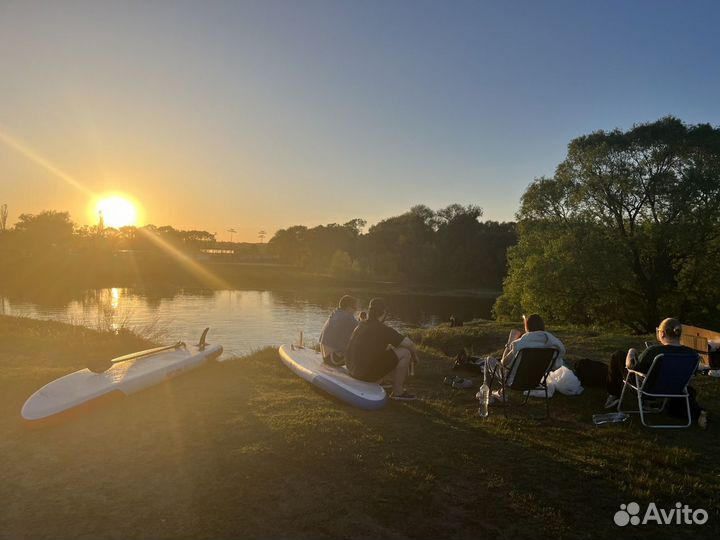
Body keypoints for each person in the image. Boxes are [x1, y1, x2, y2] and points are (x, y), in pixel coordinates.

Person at [605, 317, 707, 428]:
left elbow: (632, 367)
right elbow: (694, 371)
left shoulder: (654, 351)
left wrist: (631, 352)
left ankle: (614, 395)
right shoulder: (692, 354)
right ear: (679, 334)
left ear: (662, 334)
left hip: (647, 391)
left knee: (618, 355)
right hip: (676, 389)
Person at [346, 298, 419, 401]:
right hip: (364, 374)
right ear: (384, 313)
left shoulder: (361, 325)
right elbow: (410, 344)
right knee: (405, 352)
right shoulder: (384, 330)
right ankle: (398, 392)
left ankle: (382, 381)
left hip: (351, 369)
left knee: (388, 347)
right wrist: (415, 357)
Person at [488, 314, 566, 400]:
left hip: (514, 382)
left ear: (527, 327)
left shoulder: (521, 343)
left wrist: (510, 342)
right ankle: (499, 392)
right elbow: (555, 366)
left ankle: (487, 394)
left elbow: (504, 362)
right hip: (535, 382)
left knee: (489, 360)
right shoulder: (553, 345)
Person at [319, 295, 359, 367]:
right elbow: (364, 329)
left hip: (327, 356)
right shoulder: (347, 318)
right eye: (355, 307)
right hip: (333, 358)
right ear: (348, 307)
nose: (356, 310)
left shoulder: (337, 313)